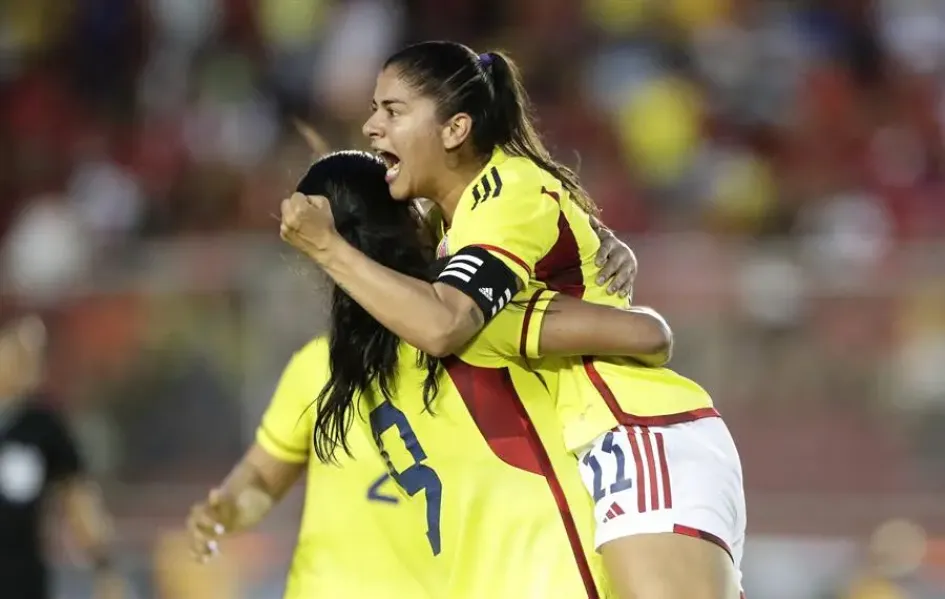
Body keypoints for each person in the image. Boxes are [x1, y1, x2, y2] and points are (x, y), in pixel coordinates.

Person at [279, 41, 746, 599]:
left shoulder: (502, 196)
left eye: (393, 110)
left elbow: (450, 324)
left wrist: (329, 249)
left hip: (632, 428)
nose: (371, 126)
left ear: (455, 129)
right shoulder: (465, 225)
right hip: (605, 444)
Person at [191, 151, 666, 598]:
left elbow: (260, 483)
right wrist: (594, 253)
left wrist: (225, 511)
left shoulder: (328, 366)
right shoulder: (480, 328)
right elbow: (646, 335)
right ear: (416, 224)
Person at [0, 316, 124, 599]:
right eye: (16, 348)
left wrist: (104, 567)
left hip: (19, 581)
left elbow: (78, 500)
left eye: (34, 353)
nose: (25, 361)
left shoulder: (42, 427)